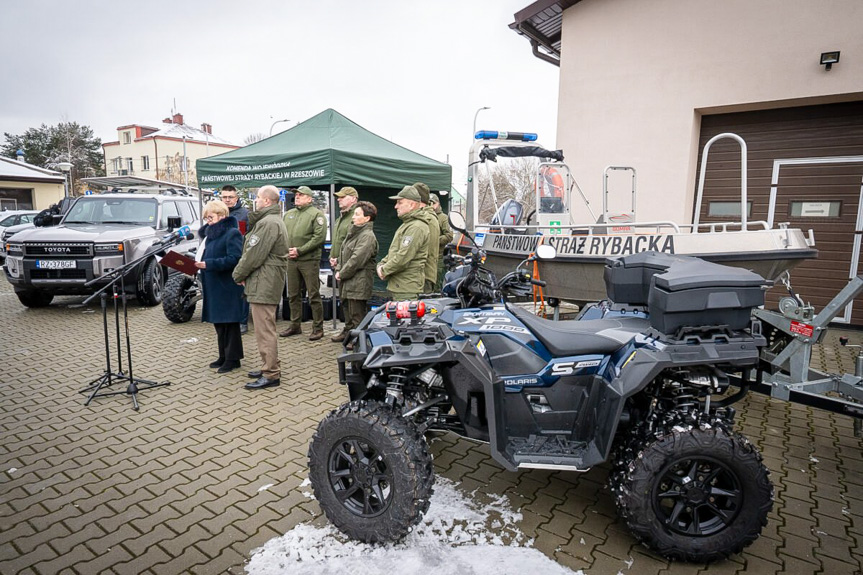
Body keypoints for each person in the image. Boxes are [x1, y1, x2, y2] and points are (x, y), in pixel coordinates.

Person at [232, 186, 289, 390]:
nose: (255, 201)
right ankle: (269, 365)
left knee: (265, 330)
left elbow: (254, 255)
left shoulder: (267, 223)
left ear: (266, 201)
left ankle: (271, 373)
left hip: (265, 281)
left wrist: (238, 274)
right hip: (265, 279)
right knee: (264, 328)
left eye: (257, 198)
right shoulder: (271, 221)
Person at [195, 200, 245, 373]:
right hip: (214, 284)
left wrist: (208, 264)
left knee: (229, 323)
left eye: (210, 217)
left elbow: (234, 259)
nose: (208, 221)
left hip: (227, 285)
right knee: (219, 323)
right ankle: (223, 355)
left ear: (222, 216)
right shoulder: (211, 234)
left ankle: (232, 359)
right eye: (206, 218)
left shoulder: (232, 233)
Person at [280, 186, 327, 341]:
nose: (297, 197)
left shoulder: (317, 215)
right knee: (293, 294)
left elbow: (318, 238)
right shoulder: (288, 214)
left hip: (309, 260)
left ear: (309, 198)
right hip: (291, 260)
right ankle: (295, 325)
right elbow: (283, 234)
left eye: (301, 195)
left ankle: (318, 328)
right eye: (296, 195)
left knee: (313, 295)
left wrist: (300, 250)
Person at [332, 201, 378, 343]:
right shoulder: (353, 233)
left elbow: (357, 259)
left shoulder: (367, 236)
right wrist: (339, 267)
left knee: (357, 313)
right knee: (347, 309)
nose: (353, 217)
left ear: (367, 218)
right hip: (348, 279)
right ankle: (348, 332)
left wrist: (342, 273)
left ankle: (359, 340)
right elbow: (343, 253)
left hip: (359, 280)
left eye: (357, 214)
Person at [377, 186, 429, 300]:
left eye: (400, 203)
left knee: (405, 318)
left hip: (406, 288)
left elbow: (403, 256)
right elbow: (395, 251)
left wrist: (384, 269)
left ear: (411, 205)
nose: (396, 206)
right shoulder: (408, 224)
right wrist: (382, 264)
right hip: (401, 286)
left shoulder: (416, 227)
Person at [220, 185, 250, 334]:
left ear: (236, 198)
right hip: (222, 258)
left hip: (240, 258)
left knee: (241, 291)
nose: (227, 200)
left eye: (230, 197)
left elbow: (250, 237)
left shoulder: (244, 214)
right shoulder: (218, 212)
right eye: (224, 197)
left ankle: (243, 322)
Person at [413, 182, 441, 294]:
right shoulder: (423, 217)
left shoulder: (428, 219)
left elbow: (427, 250)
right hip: (419, 276)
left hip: (424, 276)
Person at [329, 186, 358, 270]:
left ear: (353, 198)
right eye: (338, 197)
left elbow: (355, 246)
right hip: (338, 266)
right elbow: (337, 241)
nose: (338, 199)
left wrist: (338, 260)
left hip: (349, 267)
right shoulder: (339, 219)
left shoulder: (356, 218)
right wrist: (331, 257)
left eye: (342, 197)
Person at [431, 193, 453, 288]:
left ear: (438, 204)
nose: (431, 205)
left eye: (433, 203)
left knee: (436, 285)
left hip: (438, 258)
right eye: (429, 203)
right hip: (426, 258)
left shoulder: (443, 218)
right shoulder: (424, 217)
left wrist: (434, 240)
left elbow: (449, 236)